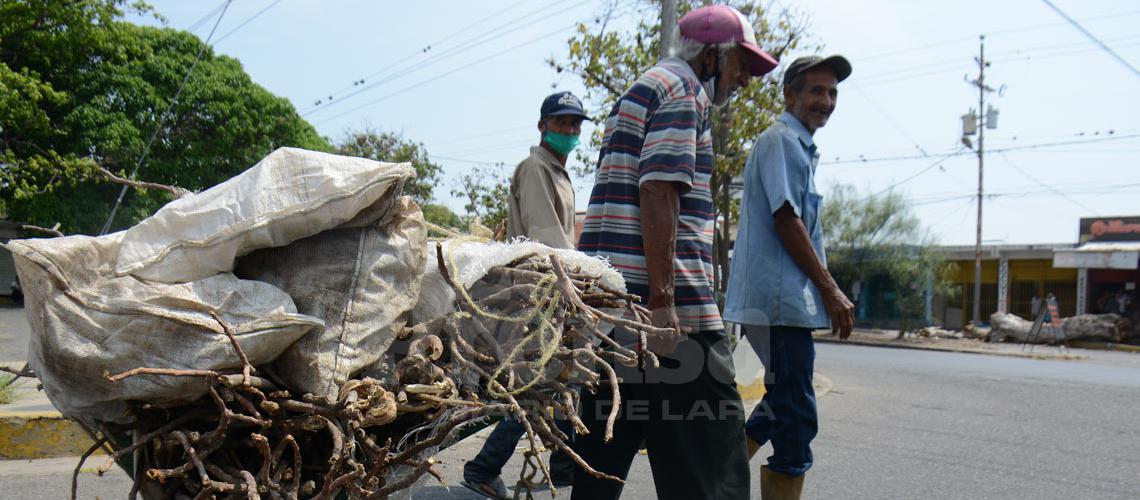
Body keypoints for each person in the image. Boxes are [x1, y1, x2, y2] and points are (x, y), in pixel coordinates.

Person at [573, 5, 777, 499]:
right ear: (712, 55)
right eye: (741, 66)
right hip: (670, 314)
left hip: (613, 313)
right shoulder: (683, 91)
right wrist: (663, 303)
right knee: (714, 465)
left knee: (602, 460)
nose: (745, 81)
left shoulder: (643, 88)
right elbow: (658, 190)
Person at [722, 54, 855, 499]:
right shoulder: (780, 141)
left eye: (832, 92)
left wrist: (826, 290)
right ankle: (717, 479)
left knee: (781, 401)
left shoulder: (800, 148)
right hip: (776, 303)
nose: (826, 101)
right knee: (796, 414)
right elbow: (785, 218)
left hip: (784, 303)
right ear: (790, 94)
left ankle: (716, 480)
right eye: (816, 90)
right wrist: (831, 290)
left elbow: (801, 229)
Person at [462, 91, 588, 499]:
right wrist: (577, 286)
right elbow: (548, 238)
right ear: (542, 126)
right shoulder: (536, 168)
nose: (570, 130)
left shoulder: (558, 172)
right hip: (541, 290)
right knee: (541, 384)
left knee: (561, 379)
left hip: (553, 288)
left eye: (575, 124)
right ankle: (484, 467)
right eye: (562, 122)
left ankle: (563, 464)